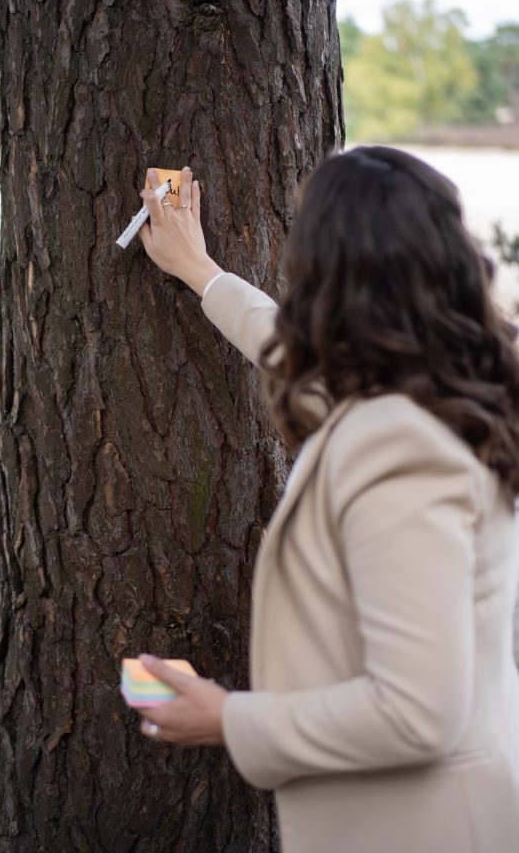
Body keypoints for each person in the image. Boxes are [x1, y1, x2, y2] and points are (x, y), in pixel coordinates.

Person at [133, 148, 519, 853]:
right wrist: (201, 271)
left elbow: (416, 713)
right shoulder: (446, 395)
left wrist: (227, 718)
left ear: (323, 276)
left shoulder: (402, 447)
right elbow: (298, 363)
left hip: (425, 826)